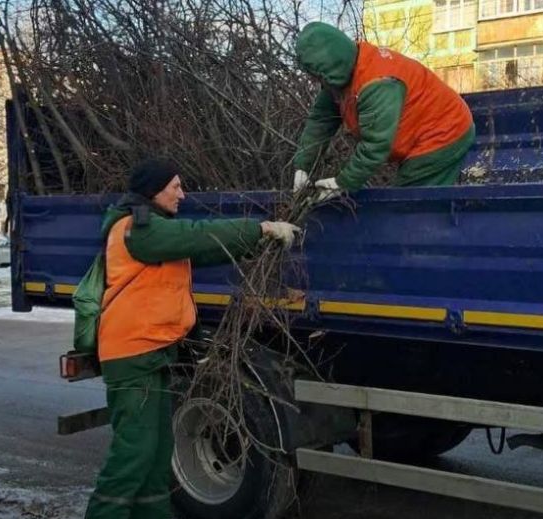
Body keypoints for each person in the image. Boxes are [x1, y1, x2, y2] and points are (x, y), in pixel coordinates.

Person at [84, 158, 299, 519]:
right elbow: (197, 234)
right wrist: (259, 228)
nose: (182, 194)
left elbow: (205, 248)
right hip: (132, 356)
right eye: (176, 186)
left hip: (155, 353)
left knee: (157, 456)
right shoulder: (136, 229)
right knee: (133, 455)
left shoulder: (156, 231)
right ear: (155, 190)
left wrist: (256, 244)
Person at [292, 22, 475, 199]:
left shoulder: (378, 84)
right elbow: (321, 120)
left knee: (411, 206)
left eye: (318, 77)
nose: (318, 83)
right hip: (421, 133)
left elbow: (376, 146)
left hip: (444, 132)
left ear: (332, 66)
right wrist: (303, 167)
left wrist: (344, 183)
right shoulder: (339, 78)